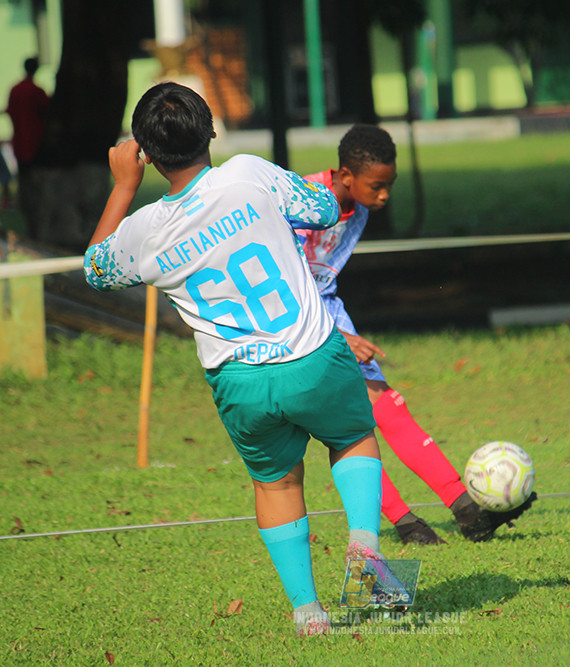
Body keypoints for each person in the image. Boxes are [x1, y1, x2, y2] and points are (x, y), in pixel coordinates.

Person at [84, 83, 407, 636]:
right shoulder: (247, 174)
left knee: (276, 484)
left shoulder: (143, 231)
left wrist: (123, 187)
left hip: (239, 381)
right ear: (212, 129)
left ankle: (309, 616)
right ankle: (364, 554)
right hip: (311, 353)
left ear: (146, 152)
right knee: (353, 438)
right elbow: (327, 207)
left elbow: (95, 270)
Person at [299, 124, 536, 545]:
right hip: (295, 319)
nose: (385, 195)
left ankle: (466, 511)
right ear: (346, 177)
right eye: (378, 186)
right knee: (347, 425)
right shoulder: (301, 202)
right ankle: (405, 523)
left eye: (390, 185)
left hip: (327, 307)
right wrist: (337, 337)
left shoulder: (360, 207)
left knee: (387, 407)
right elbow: (286, 279)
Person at [7, 57, 50, 235]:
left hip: (19, 143)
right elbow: (46, 113)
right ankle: (36, 225)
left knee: (24, 184)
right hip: (36, 144)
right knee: (37, 189)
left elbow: (10, 112)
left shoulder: (15, 90)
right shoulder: (37, 91)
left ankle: (28, 220)